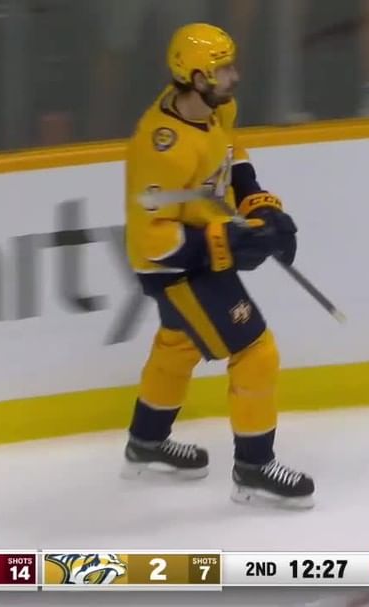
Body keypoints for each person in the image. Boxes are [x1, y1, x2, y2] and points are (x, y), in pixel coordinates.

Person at [120, 22, 314, 510]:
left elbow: (233, 155)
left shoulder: (217, 108)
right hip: (174, 268)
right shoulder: (160, 147)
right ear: (197, 77)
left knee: (179, 343)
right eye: (223, 68)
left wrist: (260, 205)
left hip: (201, 250)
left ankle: (146, 442)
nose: (234, 76)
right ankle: (254, 469)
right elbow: (151, 240)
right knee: (256, 351)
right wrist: (226, 241)